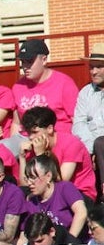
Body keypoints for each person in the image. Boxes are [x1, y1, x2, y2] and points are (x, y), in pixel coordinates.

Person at [19, 105, 97, 202]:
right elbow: (24, 184)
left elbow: (61, 180)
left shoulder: (71, 143)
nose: (31, 137)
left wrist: (41, 155)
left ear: (50, 129)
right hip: (47, 192)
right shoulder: (33, 148)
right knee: (20, 194)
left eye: (35, 132)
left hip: (78, 193)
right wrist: (22, 157)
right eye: (29, 133)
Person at [11, 38, 80, 140]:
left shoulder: (64, 83)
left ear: (44, 60)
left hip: (55, 138)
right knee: (4, 148)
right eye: (23, 62)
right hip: (26, 138)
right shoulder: (18, 87)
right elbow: (16, 123)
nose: (25, 67)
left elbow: (77, 120)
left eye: (29, 61)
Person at [23, 154, 87, 240]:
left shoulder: (65, 188)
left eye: (33, 178)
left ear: (48, 176)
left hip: (74, 243)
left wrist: (69, 241)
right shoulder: (32, 201)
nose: (29, 183)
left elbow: (81, 213)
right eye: (27, 178)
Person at [73, 44, 104, 189]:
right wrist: (92, 149)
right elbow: (79, 124)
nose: (94, 71)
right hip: (92, 148)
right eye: (91, 67)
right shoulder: (85, 92)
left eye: (99, 67)